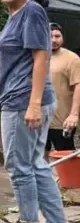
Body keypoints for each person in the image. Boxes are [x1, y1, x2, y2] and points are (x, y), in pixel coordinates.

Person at [0, 0, 73, 223]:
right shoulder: (16, 15)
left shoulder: (31, 12)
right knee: (37, 164)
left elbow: (41, 58)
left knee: (19, 166)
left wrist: (34, 104)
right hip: (27, 99)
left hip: (23, 101)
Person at [47, 22, 80, 153]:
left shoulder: (72, 59)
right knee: (38, 157)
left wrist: (74, 115)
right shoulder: (37, 57)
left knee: (65, 157)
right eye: (50, 36)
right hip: (39, 120)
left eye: (57, 36)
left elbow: (78, 85)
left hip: (62, 122)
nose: (54, 40)